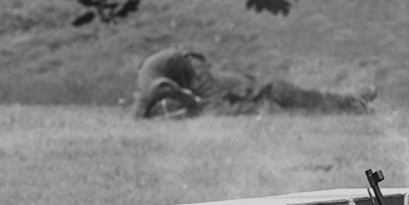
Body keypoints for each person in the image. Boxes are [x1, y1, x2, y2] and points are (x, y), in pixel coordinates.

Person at [131, 48, 373, 118]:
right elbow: (137, 117)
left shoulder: (198, 77)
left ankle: (352, 101)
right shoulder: (150, 83)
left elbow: (215, 108)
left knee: (310, 101)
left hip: (265, 89)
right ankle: (353, 103)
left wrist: (259, 111)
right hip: (257, 93)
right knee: (308, 105)